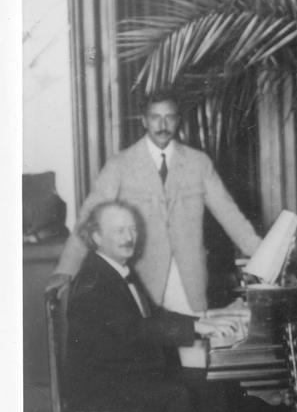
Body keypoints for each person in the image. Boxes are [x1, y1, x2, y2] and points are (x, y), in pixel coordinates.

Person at [65, 201, 250, 412]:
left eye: (132, 228)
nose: (129, 236)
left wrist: (203, 319)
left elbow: (152, 315)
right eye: (119, 230)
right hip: (99, 384)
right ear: (97, 237)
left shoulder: (117, 269)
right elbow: (135, 329)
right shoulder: (93, 281)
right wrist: (196, 327)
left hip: (123, 375)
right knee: (174, 396)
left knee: (207, 379)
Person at [49, 91, 262, 315]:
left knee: (195, 344)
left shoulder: (199, 163)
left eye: (169, 117)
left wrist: (265, 258)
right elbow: (89, 217)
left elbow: (230, 215)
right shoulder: (120, 164)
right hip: (141, 279)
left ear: (178, 119)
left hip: (189, 282)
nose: (162, 125)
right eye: (155, 117)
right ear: (144, 120)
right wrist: (66, 269)